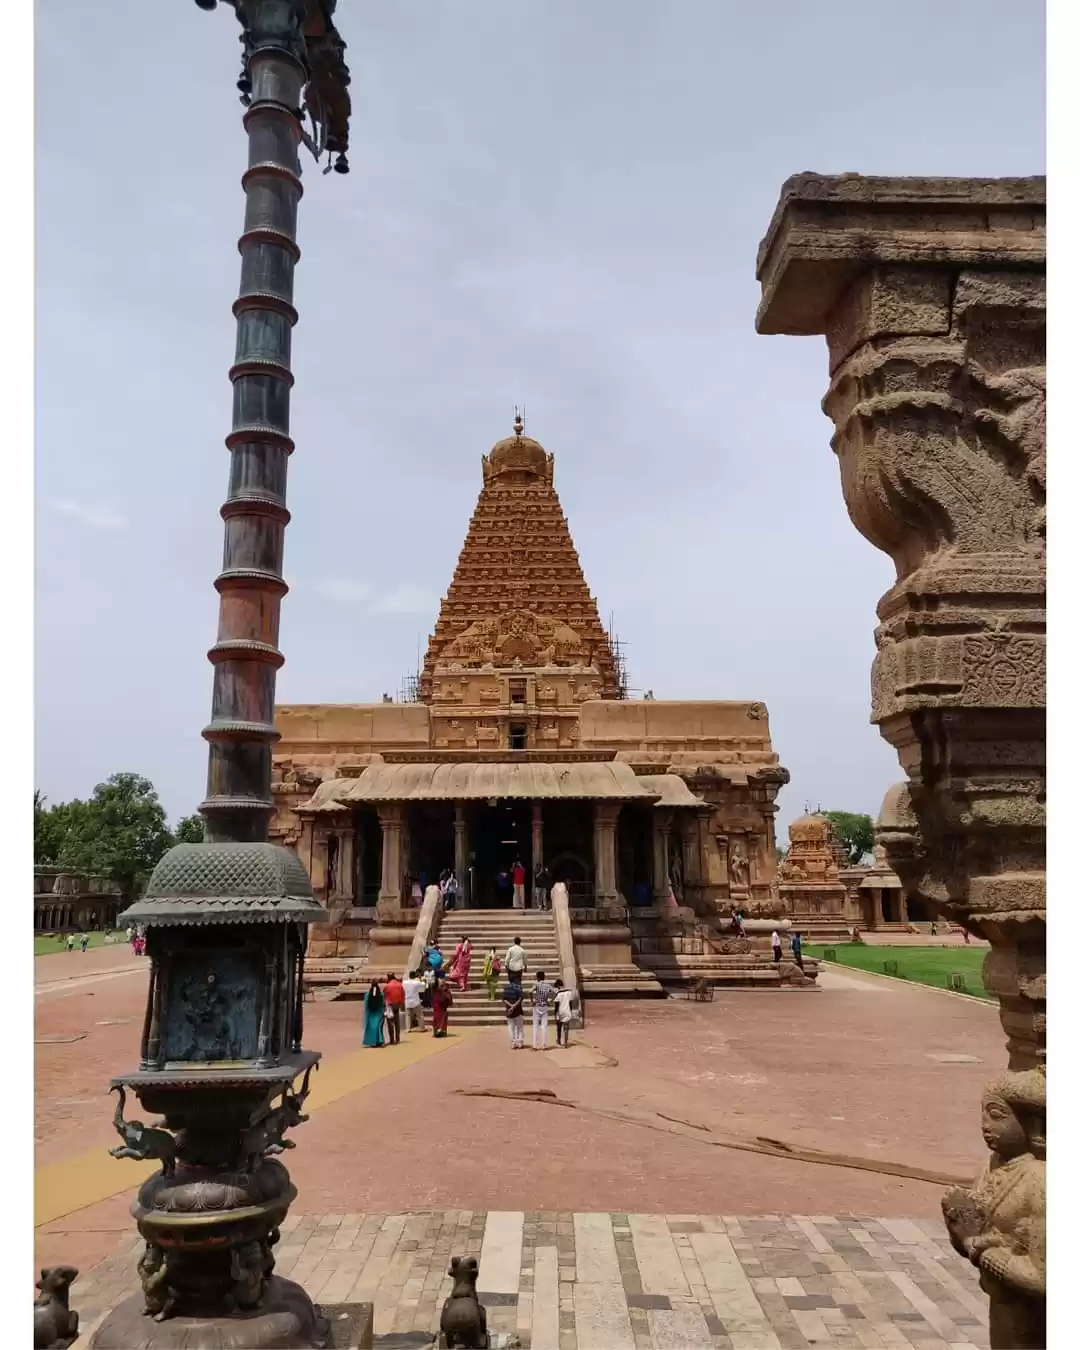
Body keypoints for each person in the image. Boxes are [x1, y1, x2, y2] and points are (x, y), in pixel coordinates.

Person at [531, 969, 555, 1051]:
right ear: (544, 977)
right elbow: (556, 992)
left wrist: (532, 1001)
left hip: (537, 1006)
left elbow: (530, 992)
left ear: (537, 977)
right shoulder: (547, 985)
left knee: (535, 1026)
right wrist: (551, 1001)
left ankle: (535, 1045)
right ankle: (544, 1045)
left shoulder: (536, 985)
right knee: (544, 1026)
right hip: (544, 1005)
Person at [504, 971, 525, 1049]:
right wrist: (514, 1005)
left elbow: (504, 999)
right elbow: (520, 998)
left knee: (511, 1026)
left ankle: (513, 1043)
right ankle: (520, 1042)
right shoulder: (518, 987)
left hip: (509, 1010)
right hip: (518, 1010)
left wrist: (510, 1006)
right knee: (519, 1026)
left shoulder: (506, 988)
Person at [362, 980, 386, 1048]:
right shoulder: (381, 994)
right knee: (378, 1028)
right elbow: (383, 1004)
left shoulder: (367, 995)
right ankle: (380, 1041)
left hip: (371, 1014)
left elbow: (366, 1006)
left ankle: (373, 1042)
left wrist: (367, 1015)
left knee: (372, 1028)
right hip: (379, 1013)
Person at [383, 972, 404, 1045]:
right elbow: (403, 994)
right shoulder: (399, 985)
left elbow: (384, 996)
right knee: (397, 1022)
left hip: (390, 1005)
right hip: (397, 1005)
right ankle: (397, 1038)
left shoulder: (387, 986)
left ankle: (392, 1039)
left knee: (390, 1023)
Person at [403, 968, 426, 1033]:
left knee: (408, 1015)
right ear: (414, 976)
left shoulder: (404, 982)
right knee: (419, 1015)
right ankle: (422, 1027)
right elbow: (423, 984)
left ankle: (408, 1028)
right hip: (415, 1001)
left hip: (407, 1000)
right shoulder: (416, 982)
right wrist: (421, 978)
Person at [553, 979, 574, 1047]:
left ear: (558, 986)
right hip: (567, 1011)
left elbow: (556, 1006)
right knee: (566, 1028)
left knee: (559, 1028)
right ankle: (565, 1043)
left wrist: (555, 1014)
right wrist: (570, 1011)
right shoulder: (569, 992)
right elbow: (570, 1004)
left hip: (560, 1012)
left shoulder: (558, 994)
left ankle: (559, 1040)